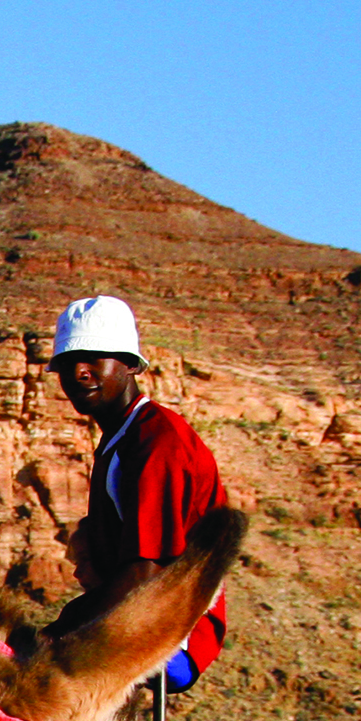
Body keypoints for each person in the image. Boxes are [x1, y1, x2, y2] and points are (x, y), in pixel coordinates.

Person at [45, 295, 228, 692]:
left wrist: (56, 633)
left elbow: (147, 574)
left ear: (129, 364)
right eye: (68, 363)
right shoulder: (124, 435)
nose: (79, 373)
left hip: (171, 636)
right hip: (136, 615)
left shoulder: (158, 443)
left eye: (94, 359)